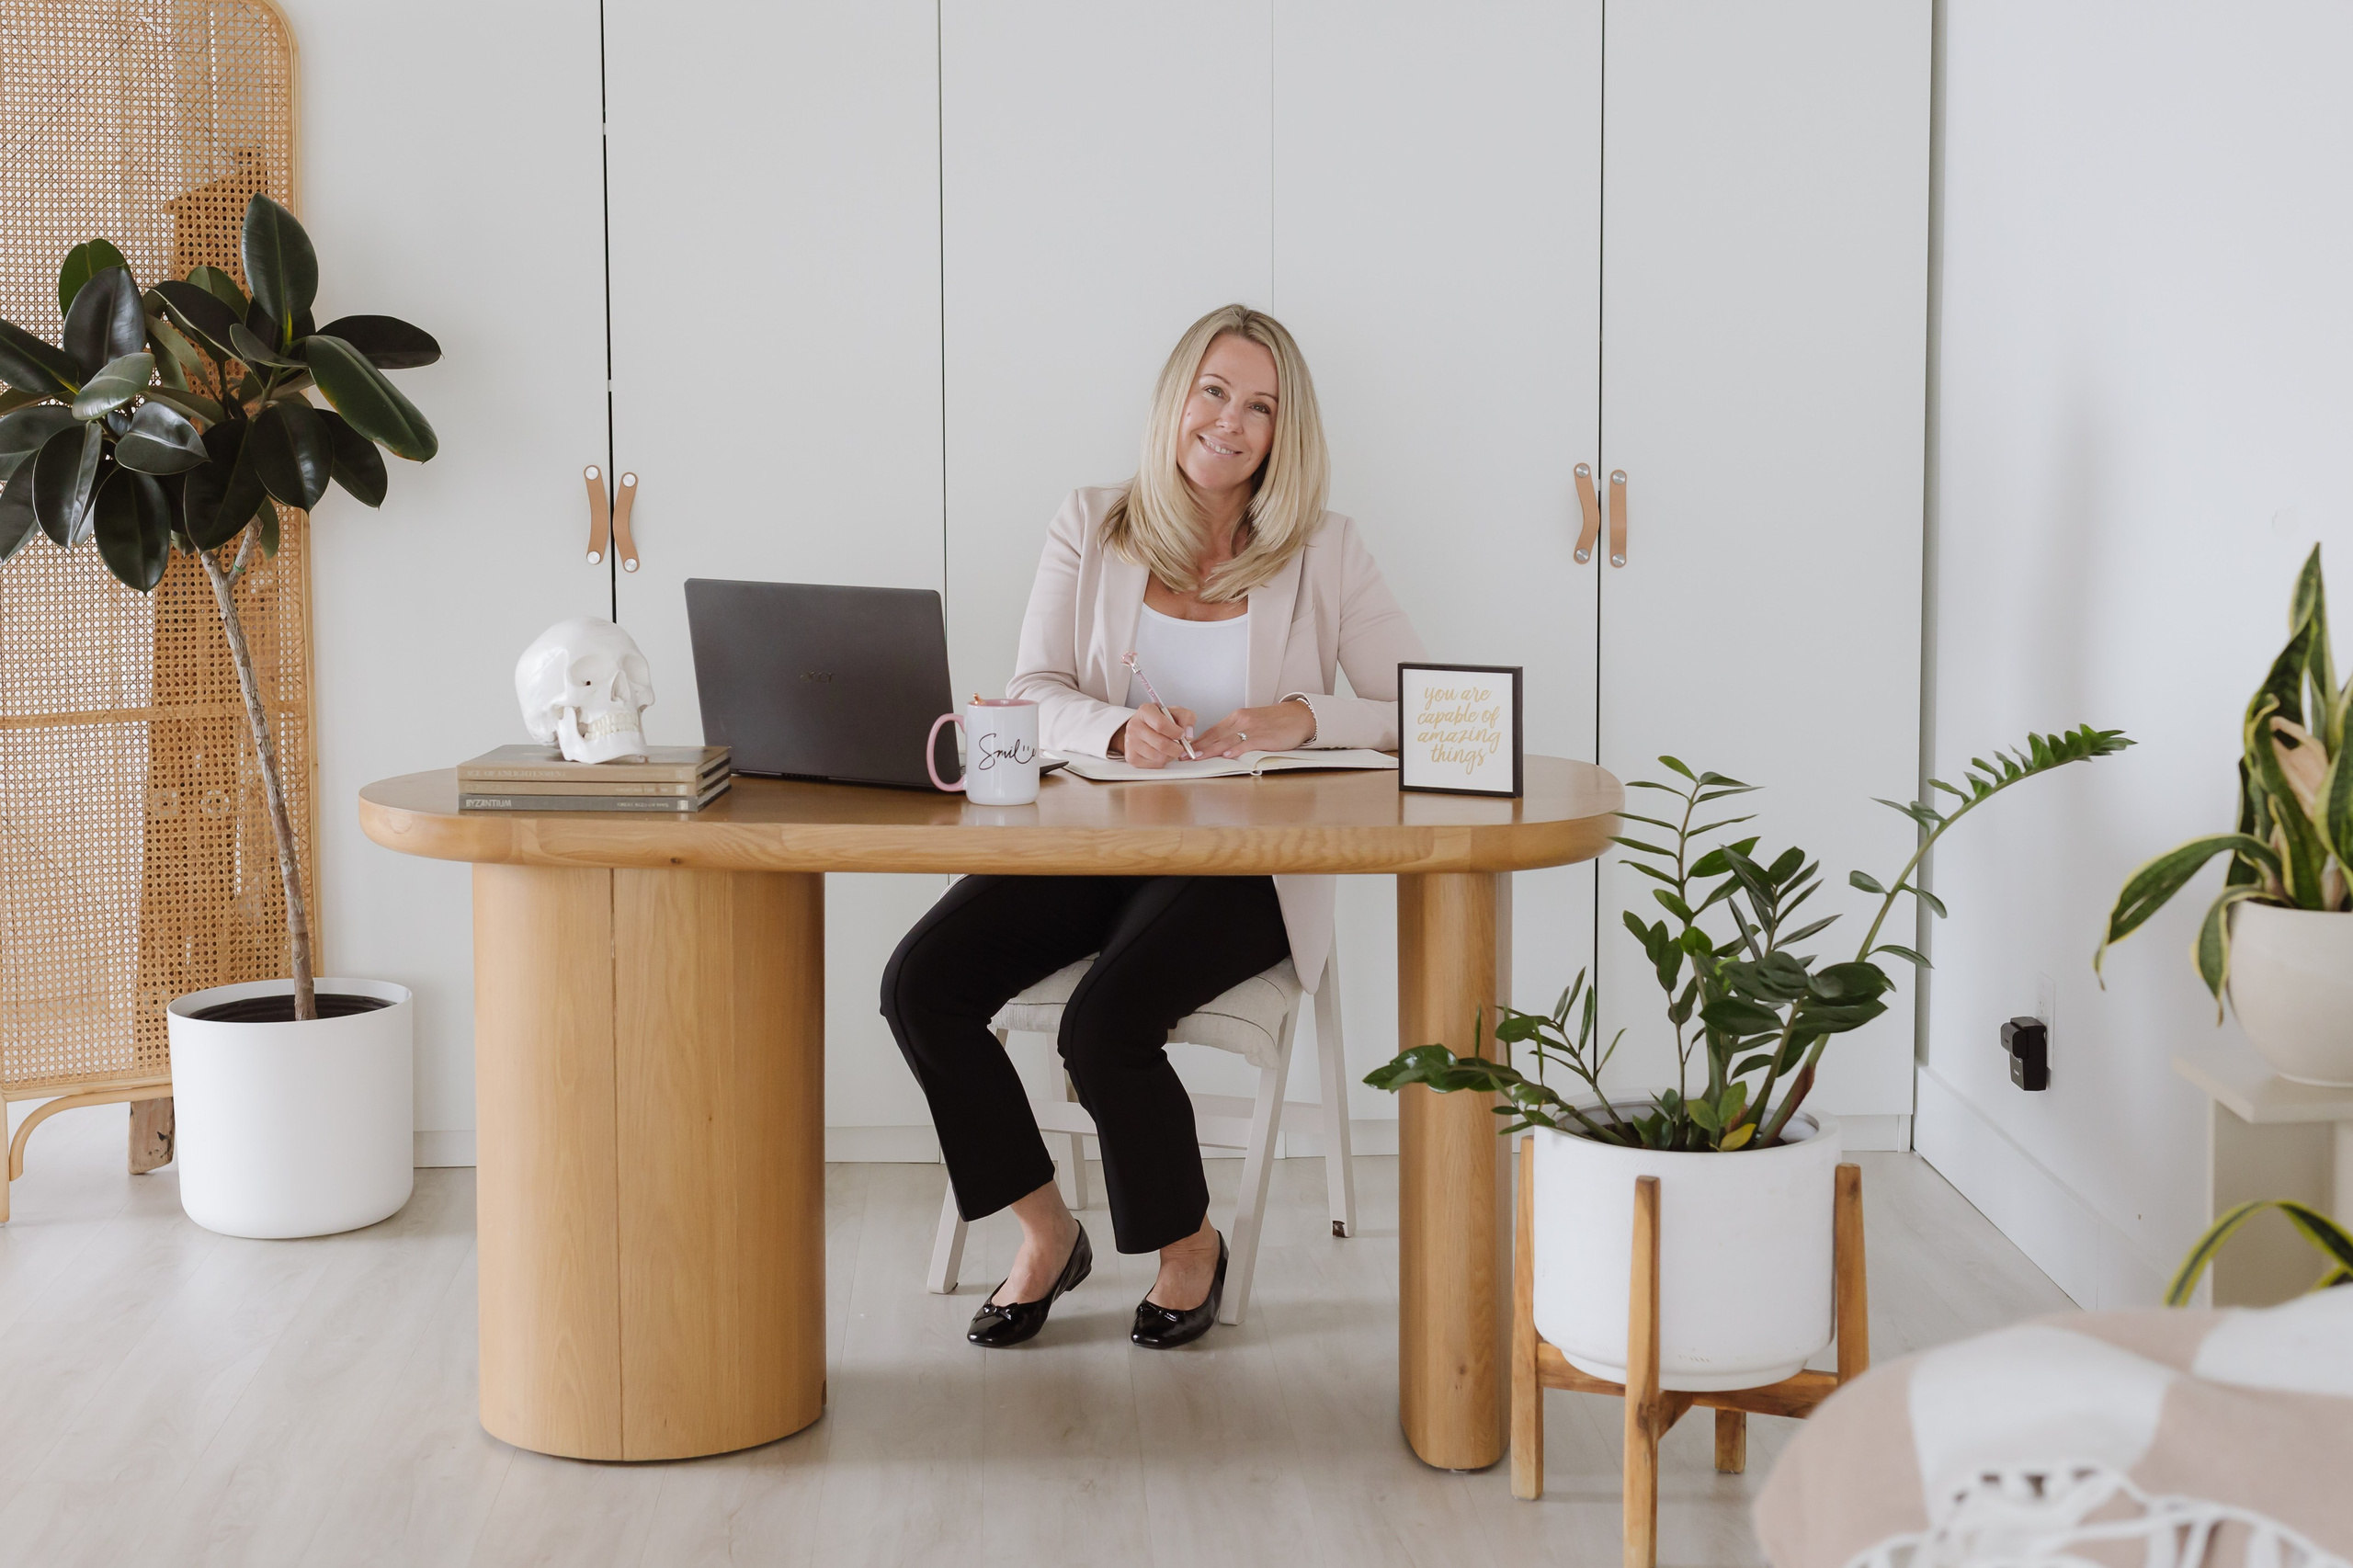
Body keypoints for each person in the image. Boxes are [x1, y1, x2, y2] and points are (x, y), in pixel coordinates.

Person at [880, 303, 1424, 1349]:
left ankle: (1189, 1246)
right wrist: (1119, 726)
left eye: (1259, 406)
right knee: (921, 983)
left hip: (1249, 868)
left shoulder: (1325, 549)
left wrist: (1305, 714)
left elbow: (1425, 707)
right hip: (1095, 843)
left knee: (1101, 1025)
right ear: (1176, 399)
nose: (1230, 421)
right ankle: (1044, 1230)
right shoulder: (1092, 523)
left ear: (1283, 432)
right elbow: (1030, 686)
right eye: (1213, 391)